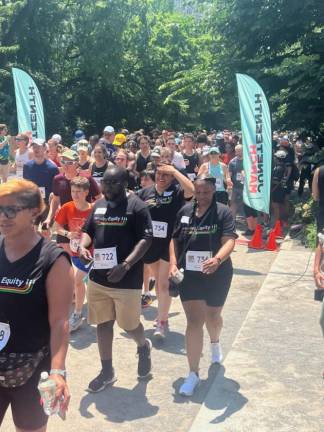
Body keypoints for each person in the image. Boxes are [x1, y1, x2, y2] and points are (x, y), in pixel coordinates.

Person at [0, 178, 73, 431]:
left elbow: (60, 321)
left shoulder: (53, 259)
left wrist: (58, 372)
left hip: (32, 370)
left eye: (10, 210)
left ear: (33, 211)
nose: (2, 217)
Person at [79, 166, 153, 392]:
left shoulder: (136, 207)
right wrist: (83, 245)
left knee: (129, 325)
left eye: (112, 183)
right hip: (99, 278)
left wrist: (126, 264)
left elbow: (146, 239)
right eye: (105, 183)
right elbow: (88, 230)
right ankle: (107, 371)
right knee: (103, 323)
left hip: (126, 279)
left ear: (124, 184)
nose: (106, 187)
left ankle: (143, 346)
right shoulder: (99, 205)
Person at [169, 175, 237, 396]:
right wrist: (172, 264)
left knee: (213, 316)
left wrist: (217, 259)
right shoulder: (185, 212)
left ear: (213, 191)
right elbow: (174, 239)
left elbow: (230, 240)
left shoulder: (223, 212)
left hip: (217, 272)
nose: (201, 196)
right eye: (198, 192)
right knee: (194, 320)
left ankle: (215, 342)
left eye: (206, 192)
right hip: (190, 274)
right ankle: (193, 374)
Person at [137, 163, 194, 339]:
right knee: (159, 283)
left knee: (163, 284)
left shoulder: (177, 192)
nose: (162, 178)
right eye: (159, 174)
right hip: (151, 244)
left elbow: (191, 189)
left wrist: (175, 171)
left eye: (166, 175)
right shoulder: (145, 192)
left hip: (170, 243)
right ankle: (164, 315)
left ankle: (161, 323)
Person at [54, 177, 93, 332]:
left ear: (86, 192)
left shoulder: (93, 209)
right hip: (75, 253)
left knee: (80, 281)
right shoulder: (66, 207)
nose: (75, 195)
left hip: (92, 253)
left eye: (78, 192)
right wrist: (67, 233)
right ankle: (79, 312)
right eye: (73, 191)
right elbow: (56, 227)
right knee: (79, 282)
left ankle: (79, 313)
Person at [43, 149, 101, 233]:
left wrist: (89, 208)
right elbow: (55, 200)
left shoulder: (86, 178)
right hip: (65, 220)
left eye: (70, 163)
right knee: (63, 245)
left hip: (83, 222)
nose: (65, 166)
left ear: (77, 163)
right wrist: (49, 218)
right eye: (63, 162)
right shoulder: (57, 179)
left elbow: (99, 198)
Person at [23, 138, 59, 206]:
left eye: (38, 147)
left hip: (47, 204)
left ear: (45, 148)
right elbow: (25, 186)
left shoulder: (52, 168)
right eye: (34, 147)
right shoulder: (27, 166)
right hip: (32, 204)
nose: (36, 149)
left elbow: (57, 190)